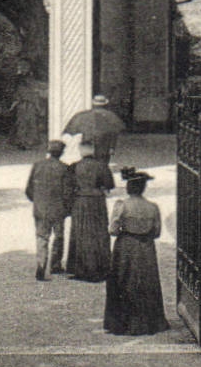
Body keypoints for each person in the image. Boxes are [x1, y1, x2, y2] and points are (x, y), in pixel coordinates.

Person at [103, 168, 170, 336]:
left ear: (128, 188)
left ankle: (122, 322)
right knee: (146, 282)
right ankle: (148, 321)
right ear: (143, 188)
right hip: (146, 248)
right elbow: (157, 232)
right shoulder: (153, 207)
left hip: (126, 247)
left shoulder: (122, 205)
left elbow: (112, 230)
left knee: (123, 280)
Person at [25, 139, 76, 280]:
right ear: (61, 153)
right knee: (58, 236)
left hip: (40, 208)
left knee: (42, 237)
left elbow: (29, 189)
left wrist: (37, 201)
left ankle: (41, 265)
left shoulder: (37, 166)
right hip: (58, 208)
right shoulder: (64, 168)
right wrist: (68, 208)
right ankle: (55, 265)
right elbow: (67, 192)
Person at [65, 140, 114, 282]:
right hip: (97, 201)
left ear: (81, 151)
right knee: (99, 233)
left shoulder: (74, 167)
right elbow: (109, 184)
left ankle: (80, 268)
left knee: (80, 233)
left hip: (80, 201)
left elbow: (68, 187)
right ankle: (101, 267)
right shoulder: (102, 166)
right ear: (92, 150)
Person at [63, 94, 125, 165]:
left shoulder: (84, 116)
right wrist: (112, 147)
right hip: (104, 147)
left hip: (88, 147)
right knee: (102, 165)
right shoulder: (110, 116)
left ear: (93, 104)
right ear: (105, 104)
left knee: (89, 165)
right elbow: (113, 133)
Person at [9, 64, 47, 151]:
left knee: (24, 124)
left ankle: (24, 142)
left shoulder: (24, 88)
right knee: (28, 124)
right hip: (27, 107)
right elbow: (33, 98)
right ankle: (25, 142)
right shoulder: (29, 89)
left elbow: (17, 98)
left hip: (24, 107)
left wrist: (13, 106)